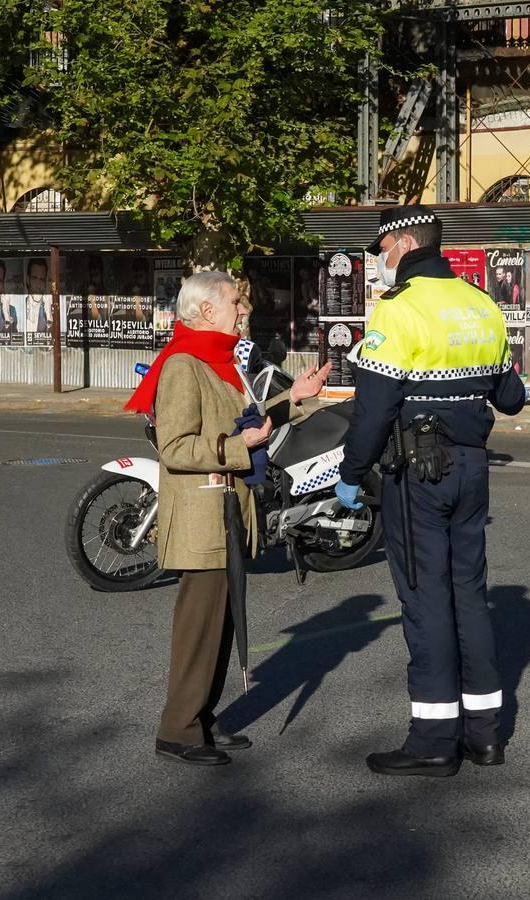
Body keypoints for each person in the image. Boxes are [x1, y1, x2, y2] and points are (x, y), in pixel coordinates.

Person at [334, 204, 526, 777]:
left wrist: (351, 470)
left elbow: (374, 407)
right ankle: (485, 736)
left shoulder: (398, 308)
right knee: (468, 594)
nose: (380, 264)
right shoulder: (481, 304)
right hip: (472, 468)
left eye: (382, 252)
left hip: (417, 473)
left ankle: (434, 741)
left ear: (402, 243)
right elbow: (511, 397)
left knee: (424, 599)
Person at [125, 271, 330, 767]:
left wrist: (293, 399)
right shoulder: (183, 364)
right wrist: (241, 447)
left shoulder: (215, 359)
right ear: (207, 311)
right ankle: (178, 729)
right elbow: (175, 447)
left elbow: (248, 420)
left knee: (221, 622)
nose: (244, 310)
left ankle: (202, 716)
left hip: (225, 511)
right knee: (200, 626)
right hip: (201, 513)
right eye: (236, 303)